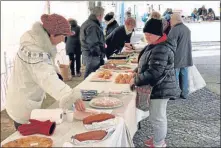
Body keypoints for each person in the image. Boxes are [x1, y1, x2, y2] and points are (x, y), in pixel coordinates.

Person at [5, 14, 86, 130]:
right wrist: (71, 96)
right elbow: (47, 77)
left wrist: (56, 74)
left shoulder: (37, 41)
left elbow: (44, 68)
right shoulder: (34, 51)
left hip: (25, 95)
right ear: (52, 35)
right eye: (63, 36)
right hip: (22, 104)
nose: (64, 40)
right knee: (25, 136)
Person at [131, 18, 178, 147]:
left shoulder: (161, 48)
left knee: (158, 117)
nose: (147, 37)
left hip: (161, 88)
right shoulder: (155, 44)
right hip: (158, 87)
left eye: (150, 34)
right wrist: (137, 70)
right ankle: (158, 138)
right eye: (145, 34)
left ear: (158, 34)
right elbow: (147, 63)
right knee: (155, 116)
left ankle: (159, 143)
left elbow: (154, 73)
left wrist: (136, 80)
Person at [168, 13, 193, 99]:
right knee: (184, 75)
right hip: (186, 56)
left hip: (176, 56)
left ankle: (173, 94)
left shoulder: (174, 29)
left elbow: (170, 44)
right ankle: (185, 93)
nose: (170, 21)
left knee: (174, 75)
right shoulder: (186, 29)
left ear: (175, 20)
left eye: (171, 19)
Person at [80, 6, 105, 79]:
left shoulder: (88, 23)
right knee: (90, 76)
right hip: (92, 55)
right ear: (99, 15)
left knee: (91, 75)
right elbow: (93, 44)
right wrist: (99, 54)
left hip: (89, 54)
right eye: (102, 15)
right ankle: (85, 89)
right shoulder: (92, 26)